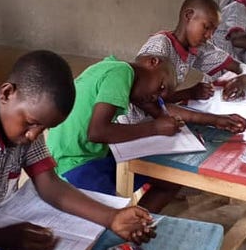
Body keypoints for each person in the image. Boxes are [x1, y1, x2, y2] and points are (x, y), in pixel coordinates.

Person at [0, 50, 156, 250]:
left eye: (43, 128)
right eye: (32, 123)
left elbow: (50, 184)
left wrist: (112, 217)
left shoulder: (23, 131)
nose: (34, 135)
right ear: (7, 93)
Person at [46, 54, 184, 213]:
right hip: (72, 163)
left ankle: (137, 224)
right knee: (117, 219)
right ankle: (128, 228)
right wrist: (155, 128)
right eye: (161, 87)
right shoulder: (122, 73)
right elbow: (97, 132)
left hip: (89, 154)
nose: (155, 97)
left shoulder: (110, 66)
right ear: (152, 62)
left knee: (169, 182)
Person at [131, 0, 246, 131]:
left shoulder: (199, 48)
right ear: (188, 15)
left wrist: (244, 77)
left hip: (159, 121)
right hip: (132, 125)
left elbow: (240, 66)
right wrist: (192, 96)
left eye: (214, 31)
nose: (209, 36)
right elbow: (148, 101)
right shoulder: (159, 47)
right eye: (206, 27)